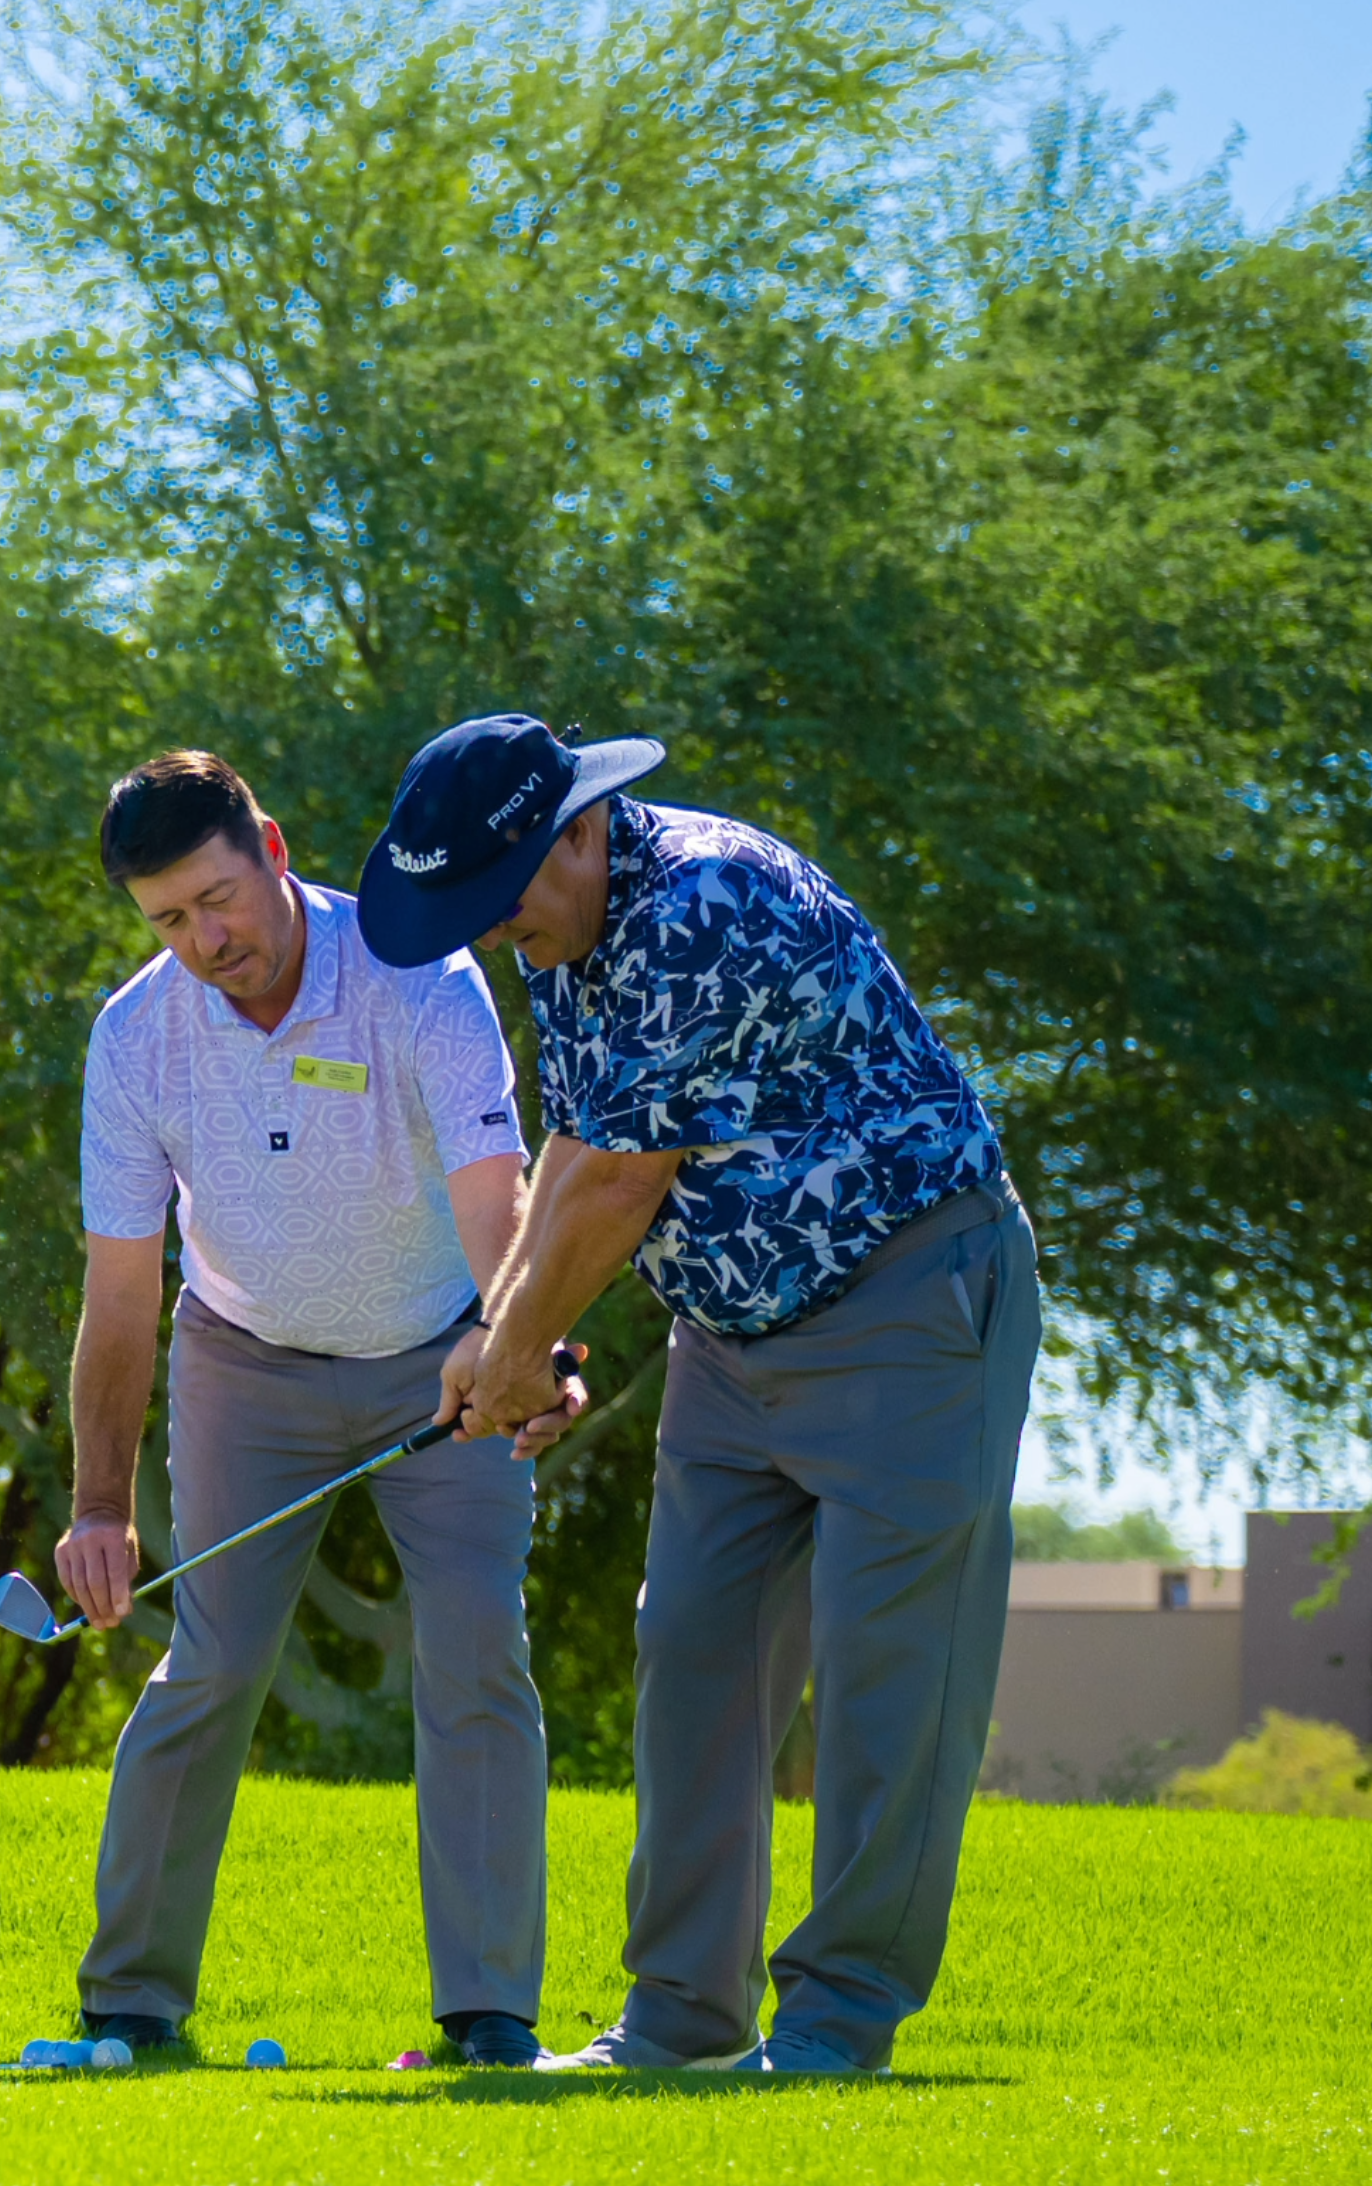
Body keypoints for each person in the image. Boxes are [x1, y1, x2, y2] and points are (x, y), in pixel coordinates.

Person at [369, 715, 1037, 2078]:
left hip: (911, 1301)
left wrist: (515, 1351)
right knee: (693, 1659)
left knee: (885, 1676)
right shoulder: (569, 932)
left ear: (577, 832)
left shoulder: (700, 900)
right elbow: (578, 1140)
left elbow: (626, 1184)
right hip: (732, 1341)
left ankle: (839, 2022)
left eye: (498, 900)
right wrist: (498, 1327)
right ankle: (678, 2022)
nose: (492, 932)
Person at [53, 750, 579, 2069]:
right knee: (215, 1662)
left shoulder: (419, 977)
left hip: (443, 1362)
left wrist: (512, 1347)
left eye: (219, 899)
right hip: (247, 1362)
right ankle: (131, 2003)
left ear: (273, 847)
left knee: (474, 1657)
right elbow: (121, 1296)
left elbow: (496, 1199)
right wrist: (99, 1506)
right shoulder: (133, 1037)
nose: (205, 940)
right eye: (168, 919)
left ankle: (489, 2018)